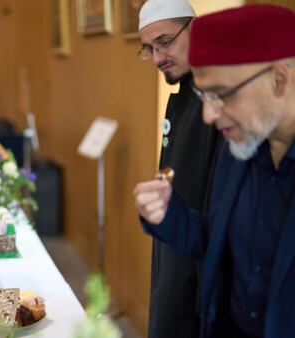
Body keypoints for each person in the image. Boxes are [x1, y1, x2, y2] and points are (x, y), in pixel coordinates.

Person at [134, 5, 295, 336]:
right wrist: (170, 214)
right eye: (204, 96)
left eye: (220, 95)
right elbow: (219, 243)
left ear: (279, 79)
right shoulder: (241, 151)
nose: (208, 116)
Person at [137, 1, 220, 336]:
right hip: (173, 255)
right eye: (149, 49)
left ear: (194, 29)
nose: (157, 59)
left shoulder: (217, 102)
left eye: (166, 42)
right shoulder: (185, 93)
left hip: (197, 271)